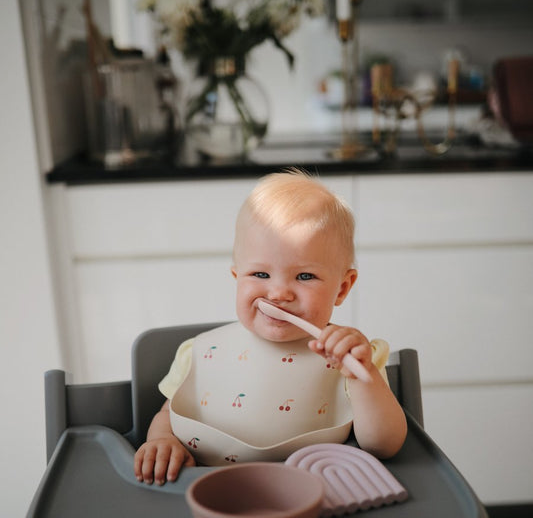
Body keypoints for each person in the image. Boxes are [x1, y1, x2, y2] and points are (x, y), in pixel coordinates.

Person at [134, 169, 407, 485]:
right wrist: (162, 441)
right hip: (206, 489)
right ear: (238, 278)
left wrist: (363, 377)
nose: (278, 293)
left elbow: (384, 445)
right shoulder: (198, 352)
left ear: (342, 288)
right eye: (260, 275)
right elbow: (170, 414)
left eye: (305, 276)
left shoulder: (352, 358)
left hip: (315, 494)